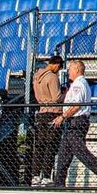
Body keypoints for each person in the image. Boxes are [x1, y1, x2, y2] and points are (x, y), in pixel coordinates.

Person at [54, 58, 97, 187]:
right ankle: (58, 183)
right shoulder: (78, 84)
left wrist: (63, 116)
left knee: (80, 152)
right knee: (63, 154)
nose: (69, 72)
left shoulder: (78, 84)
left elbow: (76, 105)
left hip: (77, 122)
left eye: (70, 69)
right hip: (73, 122)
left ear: (77, 69)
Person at [29, 54, 64, 186]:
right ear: (56, 65)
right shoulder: (52, 77)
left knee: (39, 145)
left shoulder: (37, 77)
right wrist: (65, 93)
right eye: (59, 68)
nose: (58, 71)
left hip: (42, 111)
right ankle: (47, 175)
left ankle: (35, 175)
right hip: (53, 112)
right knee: (51, 144)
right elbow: (56, 97)